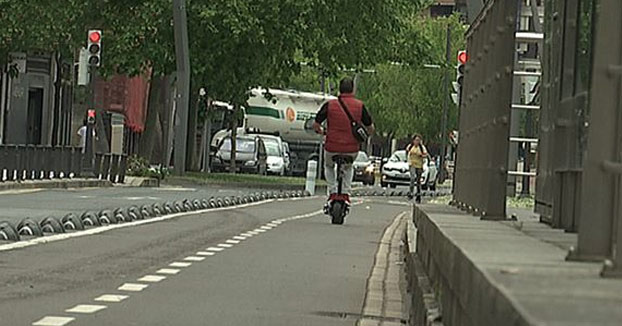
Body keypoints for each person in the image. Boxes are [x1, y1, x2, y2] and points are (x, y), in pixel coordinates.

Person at [313, 78, 375, 211]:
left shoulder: (330, 105)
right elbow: (370, 128)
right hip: (351, 148)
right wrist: (365, 136)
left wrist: (323, 132)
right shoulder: (360, 106)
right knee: (348, 167)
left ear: (339, 89)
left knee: (328, 166)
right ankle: (346, 193)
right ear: (352, 89)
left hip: (332, 146)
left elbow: (316, 124)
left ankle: (333, 191)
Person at [406, 134, 428, 203]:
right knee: (412, 178)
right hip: (412, 164)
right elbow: (407, 152)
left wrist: (421, 155)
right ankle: (411, 192)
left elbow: (425, 154)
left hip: (419, 165)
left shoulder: (422, 147)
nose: (417, 142)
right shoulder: (410, 146)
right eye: (416, 140)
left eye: (418, 140)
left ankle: (418, 195)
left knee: (418, 181)